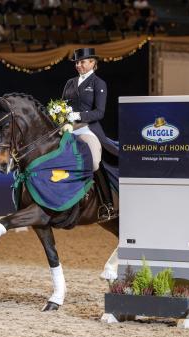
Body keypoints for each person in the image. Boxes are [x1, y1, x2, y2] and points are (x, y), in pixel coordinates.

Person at [62, 47, 116, 220]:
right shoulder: (70, 83)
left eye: (82, 62)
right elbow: (62, 105)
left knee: (94, 162)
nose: (78, 65)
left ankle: (107, 205)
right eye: (77, 62)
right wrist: (59, 114)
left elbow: (99, 112)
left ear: (93, 63)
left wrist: (78, 115)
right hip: (67, 129)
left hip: (87, 129)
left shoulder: (98, 83)